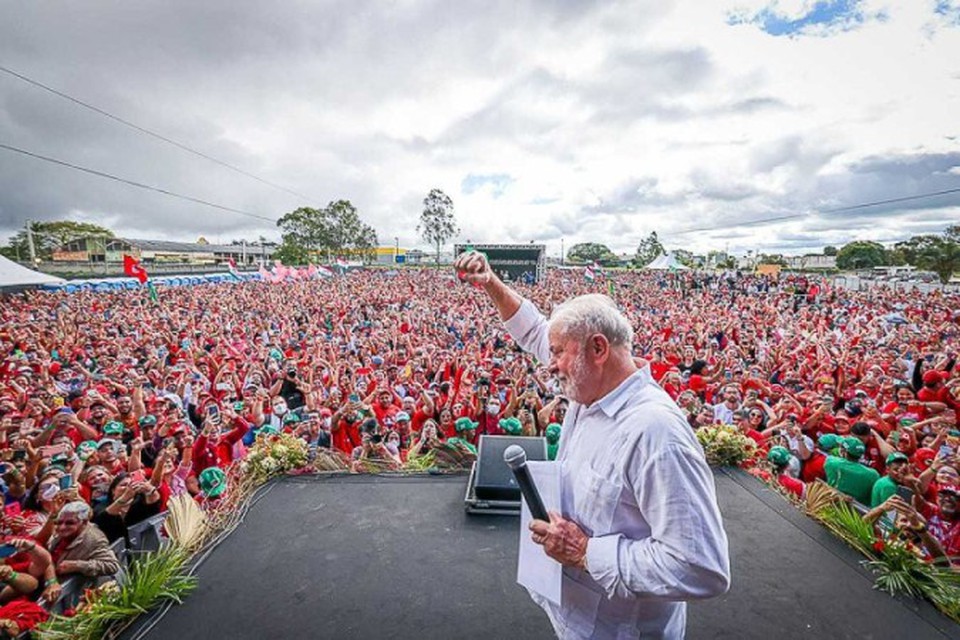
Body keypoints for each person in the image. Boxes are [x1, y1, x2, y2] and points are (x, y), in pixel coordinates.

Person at [455, 250, 729, 640]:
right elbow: (534, 329)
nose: (548, 364)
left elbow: (699, 567)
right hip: (580, 621)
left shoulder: (655, 433)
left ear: (598, 349)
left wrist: (585, 553)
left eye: (557, 352)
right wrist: (491, 283)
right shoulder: (593, 387)